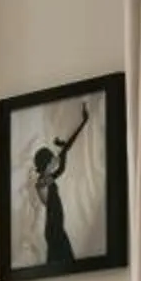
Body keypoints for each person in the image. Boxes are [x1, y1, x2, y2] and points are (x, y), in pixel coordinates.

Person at [32, 102, 95, 268]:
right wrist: (64, 146)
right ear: (45, 164)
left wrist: (82, 124)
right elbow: (42, 190)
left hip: (56, 227)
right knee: (62, 262)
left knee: (63, 261)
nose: (55, 161)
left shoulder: (48, 178)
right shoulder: (45, 180)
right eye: (51, 160)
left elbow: (64, 156)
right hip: (54, 229)